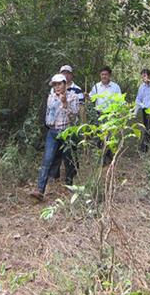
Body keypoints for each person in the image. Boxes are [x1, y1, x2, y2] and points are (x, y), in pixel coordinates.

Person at [30, 73, 79, 201]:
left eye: (59, 84)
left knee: (68, 161)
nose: (57, 87)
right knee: (47, 160)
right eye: (55, 85)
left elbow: (74, 117)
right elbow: (48, 114)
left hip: (67, 131)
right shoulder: (50, 97)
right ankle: (40, 190)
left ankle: (69, 186)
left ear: (65, 84)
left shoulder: (73, 97)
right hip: (52, 132)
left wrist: (65, 103)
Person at [50, 65, 85, 180]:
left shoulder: (77, 90)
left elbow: (81, 108)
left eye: (67, 73)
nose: (65, 74)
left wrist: (82, 126)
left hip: (71, 125)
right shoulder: (54, 88)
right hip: (57, 125)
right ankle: (55, 175)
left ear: (71, 75)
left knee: (70, 151)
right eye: (63, 72)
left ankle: (71, 175)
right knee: (56, 152)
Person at [88, 66, 122, 166]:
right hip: (99, 115)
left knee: (110, 137)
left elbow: (120, 100)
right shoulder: (96, 87)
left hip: (111, 115)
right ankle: (102, 159)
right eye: (102, 74)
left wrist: (119, 113)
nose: (104, 76)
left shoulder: (115, 87)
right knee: (100, 136)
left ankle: (111, 158)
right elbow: (91, 98)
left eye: (106, 74)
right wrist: (87, 96)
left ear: (109, 75)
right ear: (100, 75)